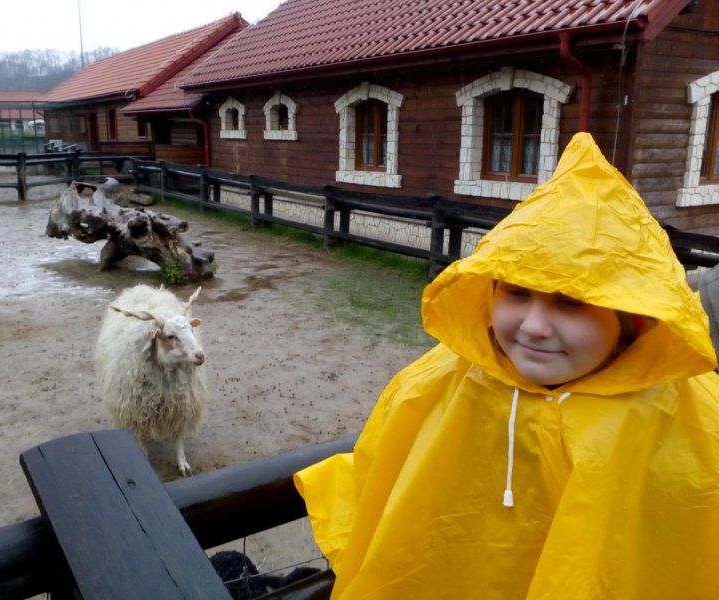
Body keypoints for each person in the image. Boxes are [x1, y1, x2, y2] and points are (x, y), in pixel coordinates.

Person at [294, 132, 719, 599]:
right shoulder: (439, 383)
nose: (535, 327)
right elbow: (389, 489)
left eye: (571, 303)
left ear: (629, 318)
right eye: (516, 293)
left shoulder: (690, 416)